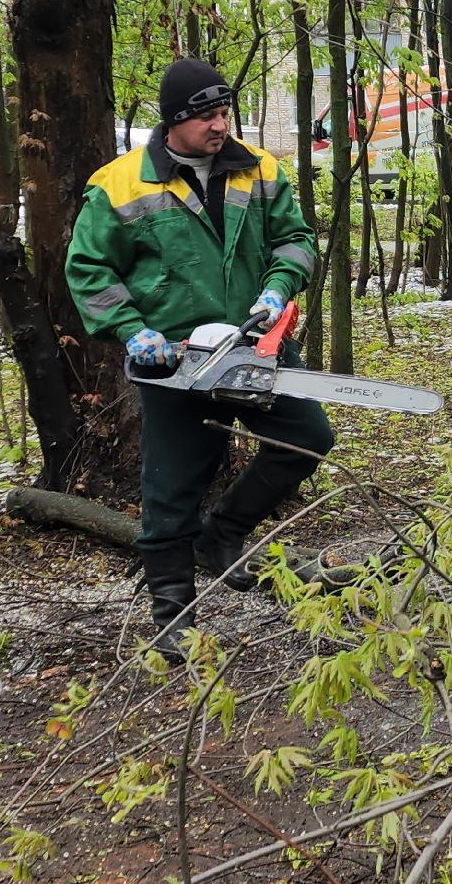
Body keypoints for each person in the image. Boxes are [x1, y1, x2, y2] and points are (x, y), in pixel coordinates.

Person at [66, 58, 333, 659]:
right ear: (174, 121)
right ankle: (172, 617)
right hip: (174, 359)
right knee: (172, 485)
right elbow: (88, 271)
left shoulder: (259, 168)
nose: (219, 125)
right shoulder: (120, 184)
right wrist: (132, 330)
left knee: (307, 437)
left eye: (224, 113)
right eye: (206, 116)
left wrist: (278, 288)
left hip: (252, 342)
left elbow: (296, 240)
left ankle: (225, 533)